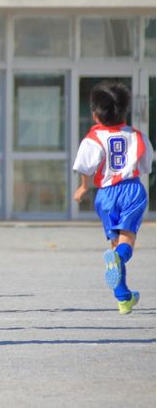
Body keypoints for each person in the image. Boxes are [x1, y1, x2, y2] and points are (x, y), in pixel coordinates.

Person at [73, 82, 153, 315]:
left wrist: (83, 187)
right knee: (126, 243)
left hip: (106, 195)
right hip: (131, 191)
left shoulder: (93, 138)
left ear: (95, 114)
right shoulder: (137, 136)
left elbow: (85, 167)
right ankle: (118, 261)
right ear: (124, 111)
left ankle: (124, 297)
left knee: (115, 244)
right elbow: (146, 166)